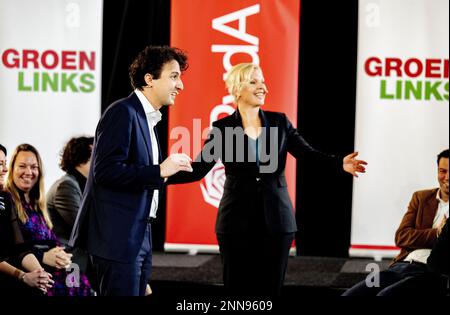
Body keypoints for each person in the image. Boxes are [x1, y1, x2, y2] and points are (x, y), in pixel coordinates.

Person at [167, 63, 367, 296]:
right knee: (237, 290)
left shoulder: (280, 122)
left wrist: (338, 162)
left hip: (278, 222)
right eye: (254, 82)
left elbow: (307, 154)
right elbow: (199, 168)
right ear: (238, 89)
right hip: (235, 223)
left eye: (262, 81)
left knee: (271, 290)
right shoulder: (222, 128)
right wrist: (161, 176)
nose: (262, 87)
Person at [69, 45, 193, 296]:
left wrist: (165, 173)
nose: (180, 85)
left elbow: (138, 174)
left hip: (140, 235)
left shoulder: (147, 119)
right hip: (118, 239)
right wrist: (158, 171)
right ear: (149, 79)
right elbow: (105, 171)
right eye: (173, 76)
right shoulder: (122, 112)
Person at [343, 149, 449, 296]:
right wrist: (436, 233)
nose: (447, 177)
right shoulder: (421, 197)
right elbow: (402, 236)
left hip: (430, 272)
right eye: (442, 171)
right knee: (351, 295)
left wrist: (439, 235)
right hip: (402, 265)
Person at [5, 143, 91, 296]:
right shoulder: (8, 200)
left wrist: (61, 255)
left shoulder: (37, 204)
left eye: (34, 167)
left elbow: (52, 241)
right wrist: (43, 256)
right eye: (22, 166)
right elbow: (10, 248)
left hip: (55, 266)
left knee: (81, 284)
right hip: (33, 268)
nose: (28, 172)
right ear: (12, 169)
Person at [0, 144, 54, 295]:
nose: (4, 169)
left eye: (5, 164)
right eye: (0, 164)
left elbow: (20, 247)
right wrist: (22, 276)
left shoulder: (4, 198)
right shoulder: (11, 196)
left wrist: (41, 275)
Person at [47, 136, 94, 244]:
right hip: (67, 253)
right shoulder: (66, 186)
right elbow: (83, 227)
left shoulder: (79, 184)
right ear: (81, 159)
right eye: (94, 157)